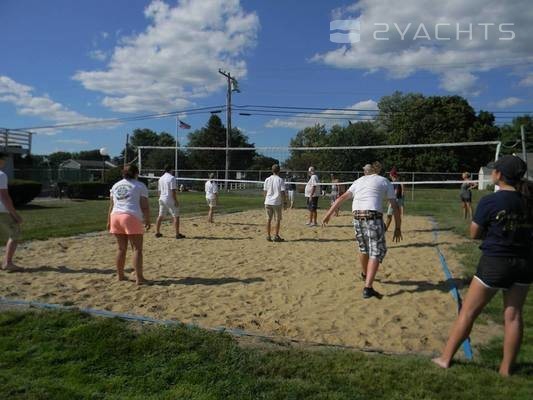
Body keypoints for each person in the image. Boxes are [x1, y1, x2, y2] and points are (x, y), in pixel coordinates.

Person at [433, 155, 532, 377]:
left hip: (496, 262)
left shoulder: (491, 201)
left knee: (467, 313)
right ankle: (506, 370)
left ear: (499, 174)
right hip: (524, 263)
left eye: (494, 170)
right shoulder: (529, 199)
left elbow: (474, 233)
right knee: (514, 316)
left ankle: (445, 359)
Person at [322, 161, 402, 299]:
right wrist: (398, 227)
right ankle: (368, 287)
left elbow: (341, 198)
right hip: (372, 217)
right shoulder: (384, 181)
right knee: (376, 251)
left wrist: (328, 214)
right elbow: (394, 206)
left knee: (364, 249)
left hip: (357, 217)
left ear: (367, 171)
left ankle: (365, 274)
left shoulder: (358, 181)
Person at [107, 164, 151, 285]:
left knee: (121, 248)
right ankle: (139, 278)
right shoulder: (139, 185)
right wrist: (147, 219)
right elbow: (144, 206)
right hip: (130, 216)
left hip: (115, 216)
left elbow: (111, 205)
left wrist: (108, 221)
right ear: (136, 173)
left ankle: (120, 275)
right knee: (137, 249)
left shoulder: (115, 185)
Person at [0, 153, 23, 272]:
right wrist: (15, 214)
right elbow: (4, 197)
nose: (4, 161)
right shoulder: (1, 175)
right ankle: (8, 263)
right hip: (1, 210)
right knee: (15, 233)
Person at [155, 165, 185, 239]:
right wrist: (176, 200)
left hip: (162, 198)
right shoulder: (172, 178)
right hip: (169, 198)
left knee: (160, 216)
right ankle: (177, 234)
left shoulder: (160, 178)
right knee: (176, 216)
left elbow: (159, 191)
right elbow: (173, 191)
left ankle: (157, 232)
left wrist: (160, 197)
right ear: (171, 170)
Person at [263, 164, 287, 242]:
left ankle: (268, 236)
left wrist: (266, 199)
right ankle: (276, 236)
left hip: (268, 201)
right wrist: (285, 202)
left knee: (268, 219)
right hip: (276, 202)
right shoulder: (280, 180)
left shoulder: (267, 179)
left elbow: (265, 192)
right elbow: (283, 192)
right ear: (279, 170)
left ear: (272, 170)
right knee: (277, 220)